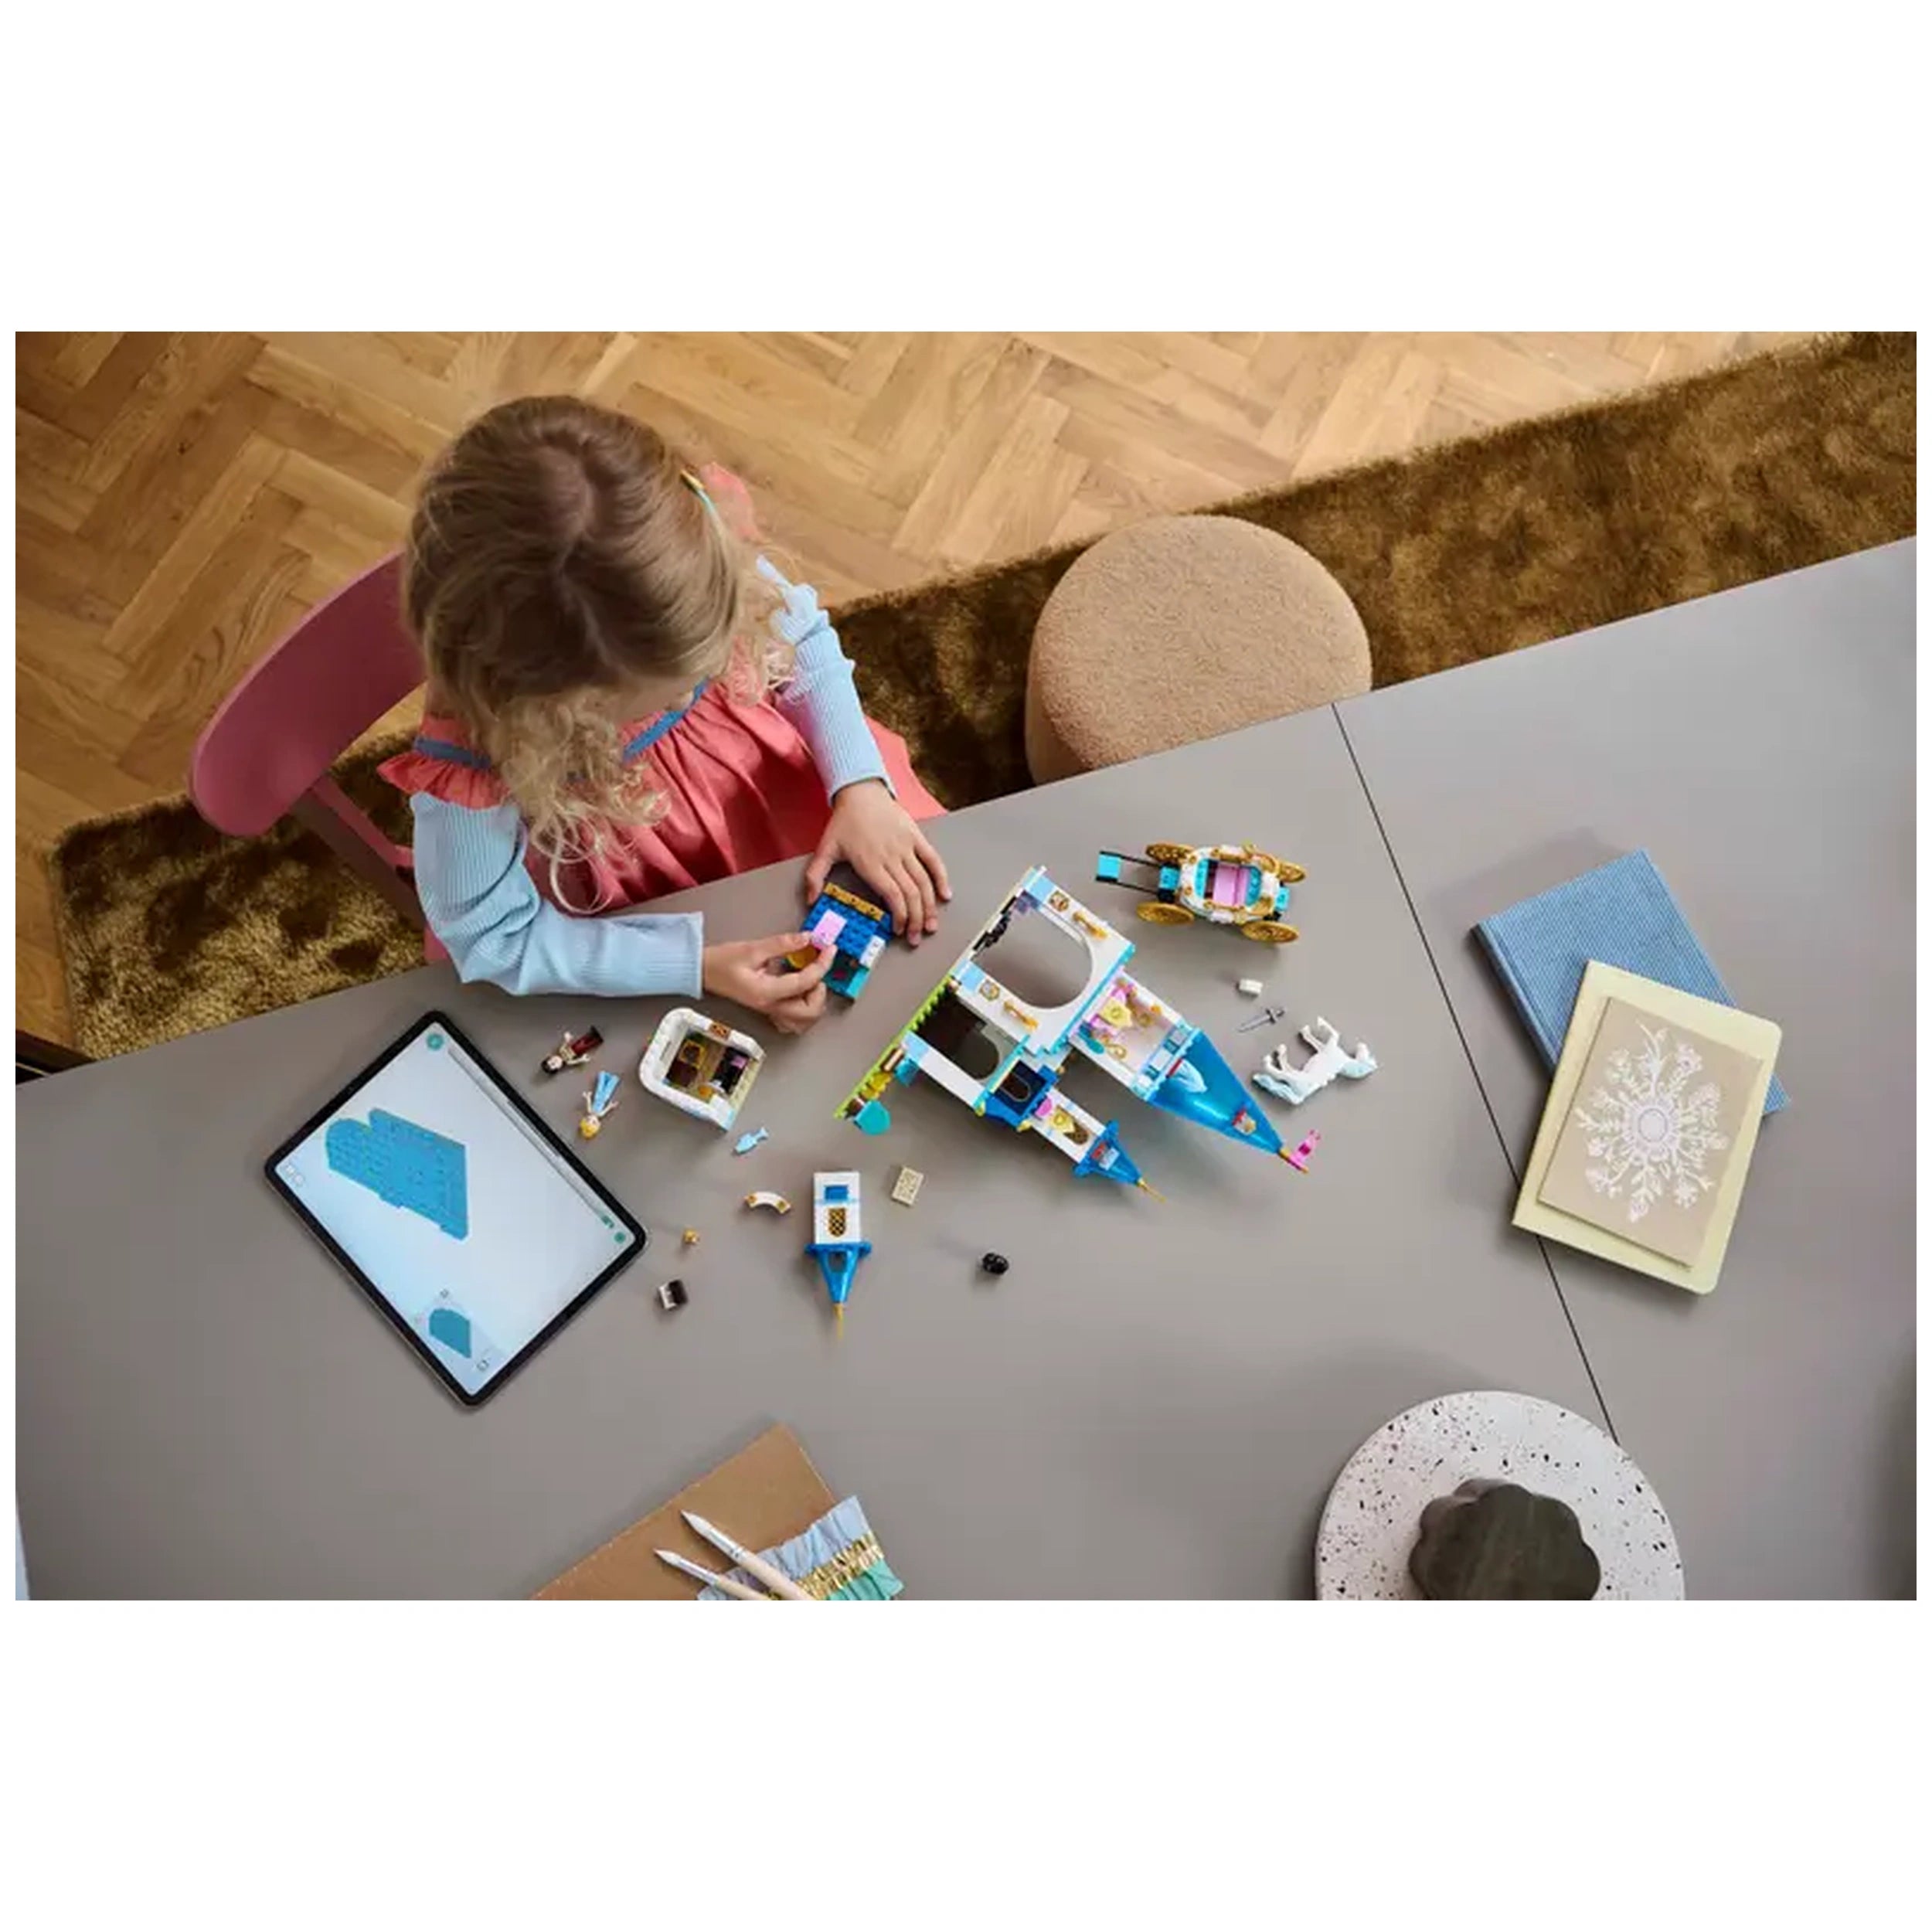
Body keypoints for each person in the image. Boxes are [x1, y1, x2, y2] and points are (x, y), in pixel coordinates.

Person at [380, 396, 949, 1035]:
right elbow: (494, 938)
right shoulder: (474, 778)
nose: (693, 693)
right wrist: (694, 966)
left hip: (781, 800)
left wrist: (861, 785)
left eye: (710, 660)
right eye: (672, 687)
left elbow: (804, 644)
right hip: (637, 911)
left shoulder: (678, 557)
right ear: (547, 705)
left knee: (934, 904)